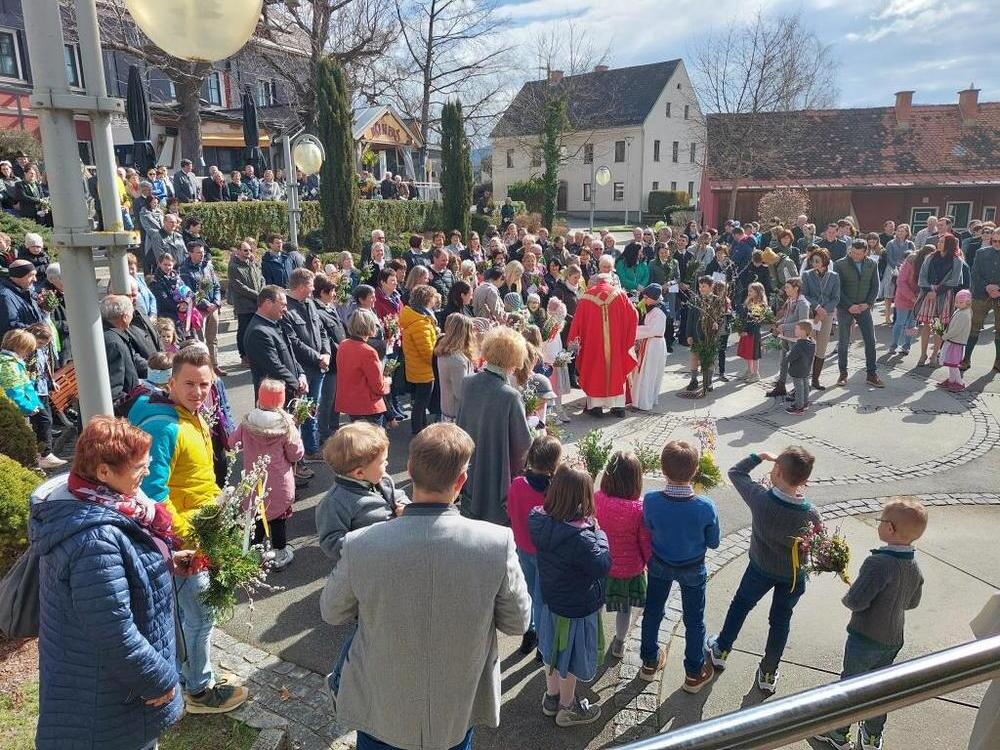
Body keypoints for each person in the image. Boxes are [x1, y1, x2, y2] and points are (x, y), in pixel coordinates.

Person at [321, 422, 530, 749]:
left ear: (410, 469)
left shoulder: (360, 544)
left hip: (382, 707)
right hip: (455, 710)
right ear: (461, 481)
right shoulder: (497, 543)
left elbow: (332, 612)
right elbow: (518, 622)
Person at [30, 416, 184, 750]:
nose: (148, 471)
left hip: (108, 681)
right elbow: (114, 631)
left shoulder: (110, 504)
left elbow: (120, 578)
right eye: (139, 466)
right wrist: (159, 680)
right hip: (108, 694)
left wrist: (167, 562)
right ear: (104, 472)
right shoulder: (95, 540)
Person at [128, 345, 249, 713]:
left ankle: (194, 673)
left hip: (199, 532)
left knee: (193, 615)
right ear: (172, 382)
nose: (198, 392)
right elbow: (153, 495)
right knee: (198, 617)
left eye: (205, 384)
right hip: (184, 542)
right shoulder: (164, 426)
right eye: (190, 384)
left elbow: (195, 479)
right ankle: (198, 690)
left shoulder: (189, 415)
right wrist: (187, 535)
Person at [815, 498, 927, 750]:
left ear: (890, 528)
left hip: (865, 637)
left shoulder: (878, 563)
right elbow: (912, 602)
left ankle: (838, 733)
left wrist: (850, 593)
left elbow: (856, 601)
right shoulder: (913, 566)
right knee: (879, 686)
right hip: (893, 638)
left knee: (851, 686)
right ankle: (872, 736)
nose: (879, 524)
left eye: (880, 520)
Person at [707, 448, 821, 695]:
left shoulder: (761, 499)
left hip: (759, 568)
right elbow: (817, 540)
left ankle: (721, 649)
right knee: (780, 621)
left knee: (741, 605)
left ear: (777, 471)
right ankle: (768, 672)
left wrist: (759, 456)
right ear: (804, 480)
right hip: (792, 577)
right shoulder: (810, 513)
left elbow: (736, 472)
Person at [529, 465, 610, 727]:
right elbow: (602, 565)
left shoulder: (539, 520)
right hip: (575, 609)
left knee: (552, 652)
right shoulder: (583, 537)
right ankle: (567, 707)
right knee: (569, 660)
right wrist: (600, 534)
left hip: (550, 602)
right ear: (583, 497)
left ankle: (551, 698)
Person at [639, 440, 719, 691]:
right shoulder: (705, 506)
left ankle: (649, 661)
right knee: (694, 621)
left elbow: (648, 527)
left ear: (662, 469)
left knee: (653, 612)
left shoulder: (650, 500)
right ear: (696, 470)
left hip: (660, 563)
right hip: (693, 568)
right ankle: (694, 673)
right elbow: (713, 542)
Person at [455, 325, 532, 526]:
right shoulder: (510, 396)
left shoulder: (467, 383)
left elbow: (460, 422)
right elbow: (522, 446)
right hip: (496, 472)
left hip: (469, 467)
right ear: (513, 359)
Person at [229, 378, 303, 570]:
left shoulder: (247, 422)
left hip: (254, 481)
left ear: (259, 399)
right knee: (278, 519)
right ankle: (279, 554)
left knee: (257, 517)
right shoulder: (286, 425)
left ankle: (254, 554)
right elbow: (296, 453)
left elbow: (232, 443)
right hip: (279, 483)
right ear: (281, 401)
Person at [505, 434, 562, 656]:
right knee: (542, 600)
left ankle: (529, 633)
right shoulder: (554, 489)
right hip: (547, 554)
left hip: (523, 547)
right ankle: (544, 643)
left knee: (527, 593)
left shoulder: (518, 483)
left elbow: (510, 512)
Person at [594, 451, 651, 660]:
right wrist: (648, 562)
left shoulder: (597, 498)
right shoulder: (639, 509)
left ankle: (593, 641)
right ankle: (619, 642)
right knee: (624, 609)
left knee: (596, 604)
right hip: (628, 570)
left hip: (600, 565)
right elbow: (644, 540)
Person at [568, 272, 638, 417]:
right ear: (610, 281)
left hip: (593, 345)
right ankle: (618, 407)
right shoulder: (620, 294)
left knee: (595, 371)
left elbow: (577, 322)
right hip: (616, 344)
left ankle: (596, 407)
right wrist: (626, 337)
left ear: (596, 282)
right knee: (616, 371)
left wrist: (573, 340)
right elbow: (634, 315)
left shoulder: (586, 297)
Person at [283, 268, 331, 457]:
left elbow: (322, 330)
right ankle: (300, 453)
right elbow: (293, 342)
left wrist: (326, 353)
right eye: (311, 286)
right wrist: (318, 357)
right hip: (303, 370)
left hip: (319, 367)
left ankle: (312, 448)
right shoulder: (287, 308)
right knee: (300, 411)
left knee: (313, 408)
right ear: (301, 286)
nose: (313, 290)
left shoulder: (310, 303)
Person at [832, 240, 883, 388]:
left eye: (858, 253)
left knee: (870, 340)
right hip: (845, 308)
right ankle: (843, 373)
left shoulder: (872, 264)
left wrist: (868, 303)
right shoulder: (839, 264)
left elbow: (875, 286)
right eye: (853, 252)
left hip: (863, 307)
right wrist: (849, 306)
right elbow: (837, 288)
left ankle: (871, 374)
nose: (854, 255)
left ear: (865, 252)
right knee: (843, 341)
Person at [245, 285, 307, 403]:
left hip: (287, 394)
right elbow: (274, 367)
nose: (286, 309)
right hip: (273, 400)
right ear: (268, 303)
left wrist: (301, 374)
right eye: (283, 305)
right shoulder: (258, 332)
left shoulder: (274, 324)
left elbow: (290, 356)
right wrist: (297, 385)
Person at [335, 308, 390, 424]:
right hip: (368, 406)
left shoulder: (343, 345)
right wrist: (387, 382)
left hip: (351, 405)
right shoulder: (368, 351)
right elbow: (378, 387)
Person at [179, 244, 224, 375]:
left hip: (212, 308)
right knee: (201, 339)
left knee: (212, 338)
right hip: (198, 310)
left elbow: (216, 286)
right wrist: (206, 304)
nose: (202, 254)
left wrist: (216, 302)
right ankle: (204, 367)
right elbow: (190, 292)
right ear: (190, 253)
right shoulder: (185, 269)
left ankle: (214, 365)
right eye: (198, 252)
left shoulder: (208, 266)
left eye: (203, 252)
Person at [400, 284, 439, 434]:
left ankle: (421, 427)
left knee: (419, 402)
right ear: (427, 300)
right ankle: (418, 430)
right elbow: (427, 352)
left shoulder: (416, 318)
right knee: (421, 403)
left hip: (415, 367)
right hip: (424, 370)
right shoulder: (420, 323)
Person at [764, 278, 810, 398]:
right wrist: (779, 322)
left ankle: (798, 391)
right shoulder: (790, 300)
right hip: (785, 337)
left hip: (796, 339)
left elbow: (803, 323)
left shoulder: (803, 304)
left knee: (796, 366)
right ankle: (781, 386)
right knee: (783, 362)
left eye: (788, 287)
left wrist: (784, 326)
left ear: (796, 288)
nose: (785, 289)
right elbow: (787, 317)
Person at [682, 276, 726, 397]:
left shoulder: (717, 301)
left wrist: (717, 323)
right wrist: (688, 335)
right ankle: (694, 379)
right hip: (696, 334)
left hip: (710, 336)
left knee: (709, 358)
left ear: (711, 287)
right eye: (700, 286)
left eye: (704, 286)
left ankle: (708, 380)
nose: (701, 289)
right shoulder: (695, 300)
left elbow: (721, 317)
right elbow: (690, 319)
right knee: (694, 357)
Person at [629, 284, 668, 411]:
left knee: (649, 373)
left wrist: (632, 330)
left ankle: (645, 402)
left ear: (654, 298)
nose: (644, 300)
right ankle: (641, 400)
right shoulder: (652, 309)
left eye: (646, 297)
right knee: (645, 372)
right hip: (651, 342)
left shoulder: (659, 311)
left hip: (654, 344)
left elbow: (651, 330)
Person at [965, 230, 1000, 372]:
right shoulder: (981, 252)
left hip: (999, 295)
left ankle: (998, 361)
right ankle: (966, 359)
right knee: (973, 327)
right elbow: (974, 274)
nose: (997, 244)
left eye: (999, 241)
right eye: (994, 241)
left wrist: (998, 289)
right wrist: (987, 287)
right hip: (981, 295)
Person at [228, 241, 265, 366]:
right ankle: (244, 356)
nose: (248, 252)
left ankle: (256, 355)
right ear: (238, 251)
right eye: (245, 250)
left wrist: (262, 292)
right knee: (244, 331)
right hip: (244, 306)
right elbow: (239, 287)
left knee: (257, 331)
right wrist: (258, 295)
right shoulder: (234, 267)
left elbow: (261, 278)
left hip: (257, 304)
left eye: (250, 250)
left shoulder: (254, 264)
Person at [435, 313, 475, 423]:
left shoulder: (444, 352)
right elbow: (461, 393)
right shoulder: (457, 361)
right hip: (457, 415)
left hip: (448, 410)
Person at [939, 289, 972, 391]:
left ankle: (959, 383)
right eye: (956, 302)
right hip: (953, 341)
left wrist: (945, 336)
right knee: (950, 363)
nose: (957, 304)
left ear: (968, 302)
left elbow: (956, 330)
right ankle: (952, 380)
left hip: (956, 342)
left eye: (961, 302)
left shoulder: (964, 314)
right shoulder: (960, 311)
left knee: (953, 364)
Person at [889, 249, 919, 358]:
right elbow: (901, 283)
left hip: (915, 300)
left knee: (911, 324)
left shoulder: (924, 265)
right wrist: (912, 297)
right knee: (900, 322)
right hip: (903, 298)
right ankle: (893, 345)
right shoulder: (908, 264)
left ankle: (907, 346)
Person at [737, 282, 767, 382]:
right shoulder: (749, 303)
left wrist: (748, 332)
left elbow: (756, 322)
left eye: (751, 291)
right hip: (746, 331)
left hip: (753, 333)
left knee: (754, 355)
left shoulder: (760, 305)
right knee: (747, 354)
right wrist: (740, 329)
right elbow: (743, 317)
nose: (749, 293)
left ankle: (756, 374)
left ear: (758, 292)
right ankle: (749, 371)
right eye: (748, 291)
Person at [786, 321, 817, 416]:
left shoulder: (798, 345)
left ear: (803, 331)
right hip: (806, 369)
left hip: (797, 370)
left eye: (796, 328)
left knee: (799, 388)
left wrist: (788, 354)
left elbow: (791, 357)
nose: (795, 330)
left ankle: (799, 407)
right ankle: (805, 402)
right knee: (805, 386)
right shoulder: (811, 343)